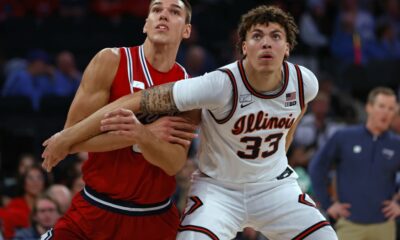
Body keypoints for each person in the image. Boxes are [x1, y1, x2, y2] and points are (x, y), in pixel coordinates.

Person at [42, 5, 338, 240]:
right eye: (257, 36)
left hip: (174, 208)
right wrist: (67, 138)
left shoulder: (303, 83)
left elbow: (173, 163)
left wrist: (141, 137)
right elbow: (122, 108)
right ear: (243, 46)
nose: (266, 44)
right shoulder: (209, 84)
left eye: (275, 37)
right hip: (200, 192)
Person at [41, 0, 198, 239]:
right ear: (146, 24)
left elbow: (174, 163)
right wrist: (146, 135)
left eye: (174, 11)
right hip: (95, 209)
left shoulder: (189, 87)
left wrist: (141, 135)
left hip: (153, 218)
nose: (163, 15)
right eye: (156, 10)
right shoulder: (111, 61)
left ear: (186, 30)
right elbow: (72, 136)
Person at [309, 87, 400, 240]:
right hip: (349, 225)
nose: (386, 112)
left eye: (391, 108)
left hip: (384, 225)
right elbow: (317, 167)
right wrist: (327, 203)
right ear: (369, 107)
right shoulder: (344, 137)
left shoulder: (396, 144)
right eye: (381, 106)